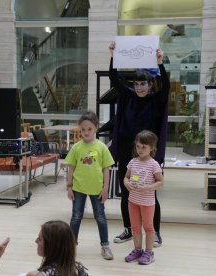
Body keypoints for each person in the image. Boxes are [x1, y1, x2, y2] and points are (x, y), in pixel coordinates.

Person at [108, 41, 169, 247]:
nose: (140, 87)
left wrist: (160, 64)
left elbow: (167, 86)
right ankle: (128, 228)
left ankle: (155, 232)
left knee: (149, 192)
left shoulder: (155, 99)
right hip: (128, 151)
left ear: (150, 84)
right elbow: (115, 80)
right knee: (128, 191)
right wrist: (113, 56)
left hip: (148, 155)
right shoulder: (128, 96)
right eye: (136, 84)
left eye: (143, 84)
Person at [64, 111, 115, 260]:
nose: (85, 132)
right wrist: (69, 187)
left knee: (100, 217)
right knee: (76, 217)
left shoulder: (102, 148)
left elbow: (107, 169)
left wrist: (106, 188)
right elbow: (71, 167)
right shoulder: (76, 148)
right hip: (78, 188)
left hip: (97, 189)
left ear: (96, 128)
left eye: (89, 129)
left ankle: (105, 246)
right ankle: (71, 246)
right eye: (83, 130)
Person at [123, 130, 164, 265]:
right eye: (138, 146)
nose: (140, 149)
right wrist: (127, 183)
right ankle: (137, 250)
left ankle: (149, 252)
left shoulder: (154, 164)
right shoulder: (133, 162)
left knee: (148, 227)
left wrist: (147, 188)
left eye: (144, 147)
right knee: (135, 227)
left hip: (147, 202)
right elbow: (126, 177)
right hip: (133, 201)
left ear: (152, 148)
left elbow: (160, 182)